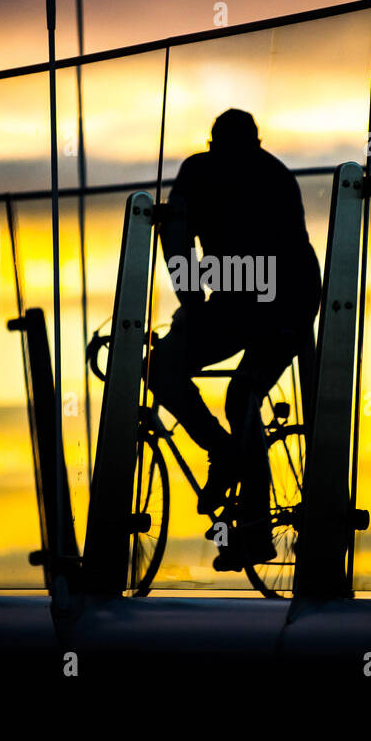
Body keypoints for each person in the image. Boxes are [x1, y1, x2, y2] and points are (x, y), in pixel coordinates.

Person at [147, 109, 321, 571]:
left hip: (260, 303)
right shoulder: (274, 173)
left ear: (212, 143)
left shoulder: (201, 171)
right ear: (257, 142)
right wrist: (197, 303)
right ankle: (233, 470)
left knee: (171, 371)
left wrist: (191, 301)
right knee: (240, 393)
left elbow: (176, 235)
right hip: (280, 301)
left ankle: (238, 489)